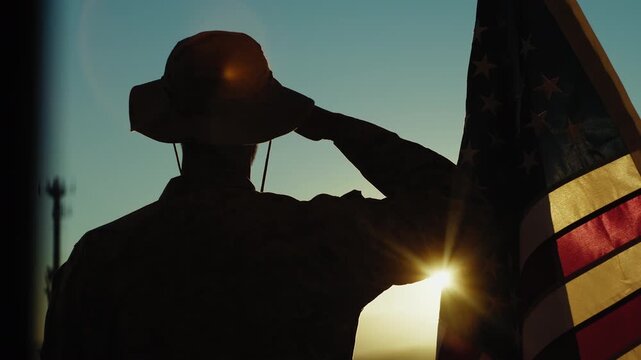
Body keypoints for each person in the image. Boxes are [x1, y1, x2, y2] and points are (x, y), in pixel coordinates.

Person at [41, 31, 496, 359]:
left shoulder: (97, 258)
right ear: (263, 131)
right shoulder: (322, 239)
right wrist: (330, 126)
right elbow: (465, 214)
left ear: (178, 134)